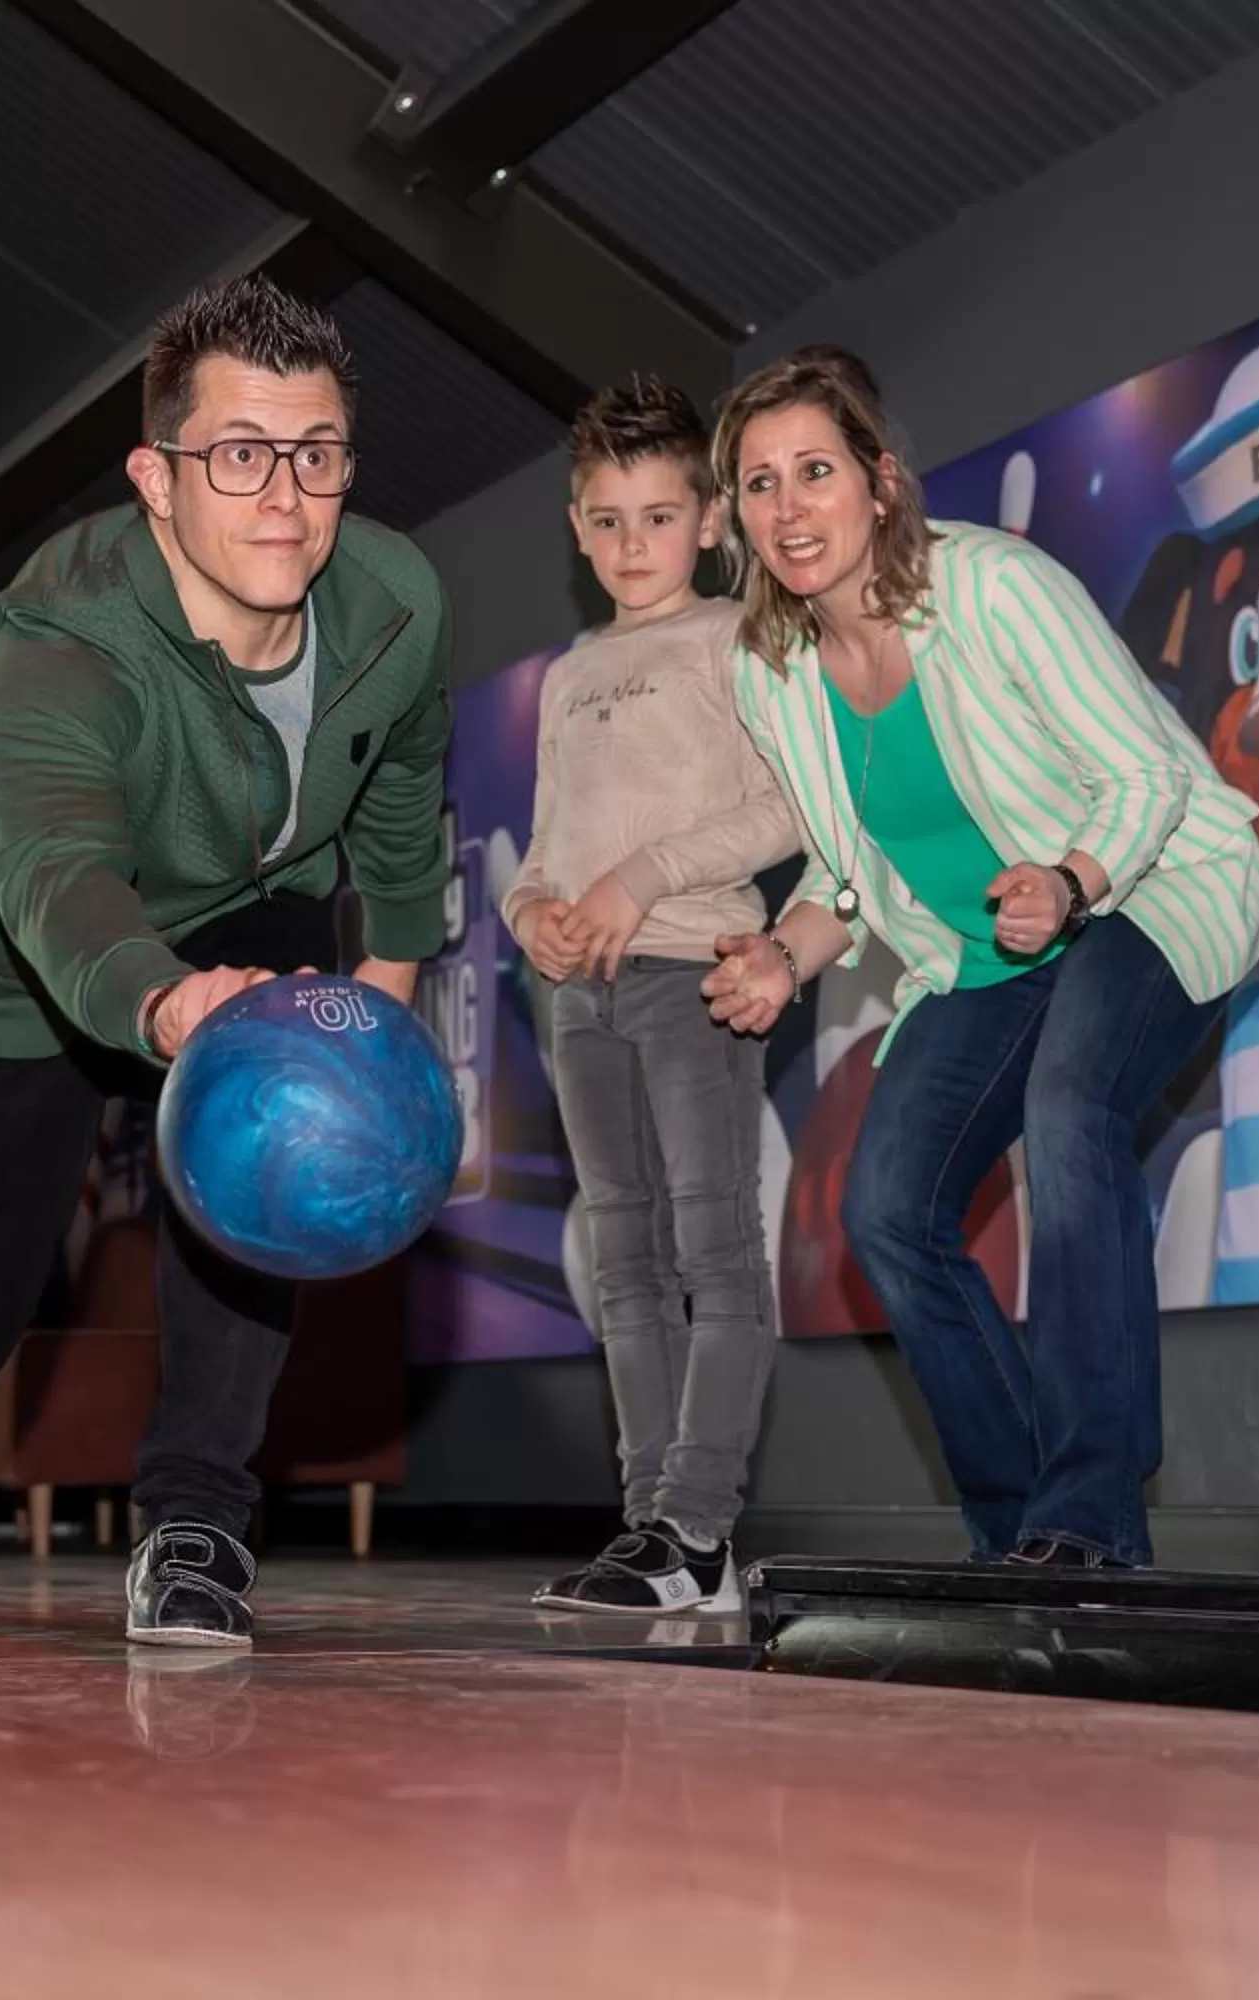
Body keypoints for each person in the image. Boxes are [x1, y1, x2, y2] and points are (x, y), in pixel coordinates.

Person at [0, 275, 453, 1646]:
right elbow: (57, 879)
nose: (287, 501)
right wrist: (168, 998)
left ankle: (197, 1527)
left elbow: (406, 792)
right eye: (240, 455)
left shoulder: (399, 601)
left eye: (317, 455)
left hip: (255, 908)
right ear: (155, 476)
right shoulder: (53, 644)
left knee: (266, 1177)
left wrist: (388, 1007)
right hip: (9, 969)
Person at [699, 347, 1259, 1570]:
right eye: (759, 484)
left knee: (1073, 1110)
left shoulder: (994, 587)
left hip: (1147, 889)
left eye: (815, 471)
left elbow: (1153, 775)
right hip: (981, 958)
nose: (790, 508)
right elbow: (845, 876)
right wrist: (781, 960)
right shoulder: (769, 669)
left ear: (881, 483)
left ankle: (1092, 1515)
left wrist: (1070, 881)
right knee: (887, 1208)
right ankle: (1021, 1529)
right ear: (736, 516)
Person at [500, 376, 800, 1615]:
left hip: (694, 975)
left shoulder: (742, 639)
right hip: (579, 998)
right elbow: (543, 848)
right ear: (577, 528)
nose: (635, 545)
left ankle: (701, 1524)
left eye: (660, 516)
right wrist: (533, 912)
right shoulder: (571, 672)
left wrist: (642, 878)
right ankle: (648, 1530)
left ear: (712, 520)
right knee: (622, 1260)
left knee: (715, 1253)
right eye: (610, 520)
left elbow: (791, 807)